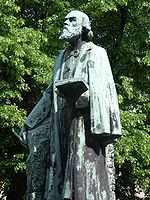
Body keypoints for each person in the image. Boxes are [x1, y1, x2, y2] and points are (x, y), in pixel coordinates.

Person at [19, 10, 121, 200]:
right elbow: (49, 94)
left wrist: (85, 96)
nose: (65, 22)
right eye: (65, 19)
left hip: (85, 126)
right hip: (61, 125)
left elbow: (105, 92)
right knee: (59, 178)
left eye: (71, 19)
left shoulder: (97, 53)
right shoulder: (61, 57)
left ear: (83, 27)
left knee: (83, 179)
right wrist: (29, 122)